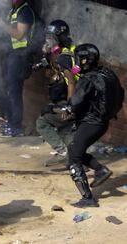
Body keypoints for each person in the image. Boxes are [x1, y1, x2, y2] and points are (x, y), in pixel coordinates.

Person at [57, 44, 124, 208]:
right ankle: (100, 170)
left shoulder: (88, 79)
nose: (77, 64)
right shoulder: (108, 74)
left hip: (90, 122)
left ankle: (88, 198)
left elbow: (76, 101)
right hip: (102, 122)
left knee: (74, 158)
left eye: (79, 60)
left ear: (86, 60)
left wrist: (68, 108)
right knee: (74, 150)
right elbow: (120, 94)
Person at [0, 0, 35, 137]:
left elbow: (18, 34)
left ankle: (16, 127)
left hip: (20, 57)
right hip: (10, 56)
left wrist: (2, 24)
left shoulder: (25, 12)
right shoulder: (14, 12)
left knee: (14, 93)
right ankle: (12, 122)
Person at [35, 20, 80, 166]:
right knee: (64, 130)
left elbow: (71, 82)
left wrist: (69, 106)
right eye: (48, 37)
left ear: (60, 38)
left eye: (52, 37)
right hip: (66, 98)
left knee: (42, 122)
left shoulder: (66, 55)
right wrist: (47, 57)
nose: (49, 40)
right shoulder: (58, 54)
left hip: (70, 99)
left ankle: (63, 153)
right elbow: (52, 76)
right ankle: (76, 161)